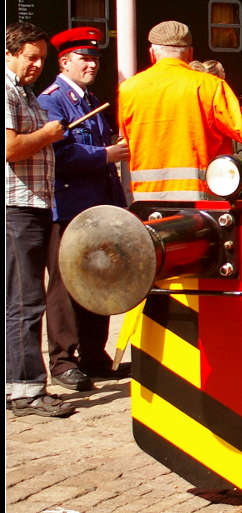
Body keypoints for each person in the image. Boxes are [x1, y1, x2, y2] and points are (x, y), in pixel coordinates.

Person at [38, 27, 130, 392]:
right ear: (64, 62)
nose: (92, 64)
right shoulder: (52, 101)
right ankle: (63, 360)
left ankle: (94, 356)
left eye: (94, 58)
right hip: (69, 207)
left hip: (96, 206)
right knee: (64, 285)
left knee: (98, 278)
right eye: (83, 58)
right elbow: (57, 154)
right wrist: (104, 155)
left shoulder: (89, 100)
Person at [118, 21, 242, 201]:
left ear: (152, 53)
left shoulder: (128, 90)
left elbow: (127, 141)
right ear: (190, 53)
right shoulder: (209, 85)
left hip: (146, 202)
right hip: (200, 204)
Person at [5, 21, 74, 417]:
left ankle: (25, 385)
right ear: (10, 53)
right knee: (25, 300)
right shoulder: (8, 92)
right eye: (31, 57)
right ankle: (26, 390)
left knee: (25, 298)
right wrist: (48, 135)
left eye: (41, 59)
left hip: (32, 205)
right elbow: (11, 148)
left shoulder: (24, 92)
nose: (36, 65)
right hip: (16, 207)